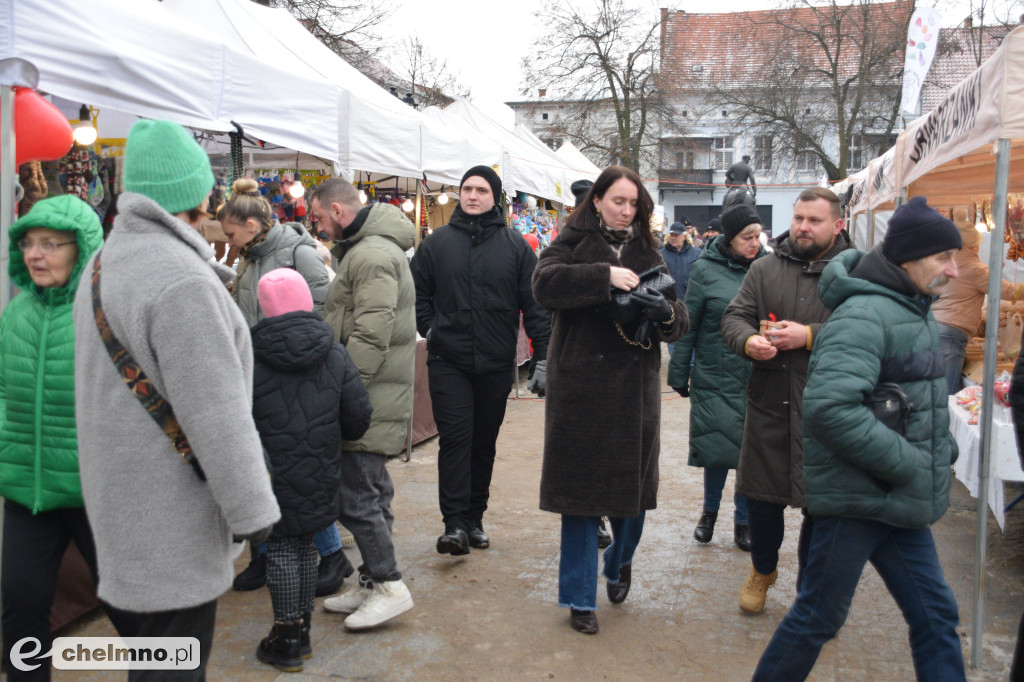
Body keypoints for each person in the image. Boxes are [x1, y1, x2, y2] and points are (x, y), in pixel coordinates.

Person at [73, 119, 280, 679]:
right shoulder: (182, 282)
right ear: (202, 194)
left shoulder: (99, 266)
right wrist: (256, 514)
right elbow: (217, 416)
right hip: (169, 527)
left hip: (118, 517)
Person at [752, 196, 966, 681]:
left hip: (896, 499)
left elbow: (917, 401)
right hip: (857, 500)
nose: (954, 270)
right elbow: (830, 408)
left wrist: (940, 451)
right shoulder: (864, 315)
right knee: (817, 618)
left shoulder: (913, 310)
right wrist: (909, 463)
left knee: (937, 619)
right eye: (944, 258)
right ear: (908, 259)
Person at [532, 165, 688, 635]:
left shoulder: (649, 249)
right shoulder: (572, 240)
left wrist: (665, 315)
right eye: (617, 200)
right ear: (597, 199)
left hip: (633, 392)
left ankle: (619, 561)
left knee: (632, 500)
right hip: (580, 389)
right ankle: (579, 599)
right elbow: (543, 285)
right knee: (580, 501)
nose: (625, 210)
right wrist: (604, 277)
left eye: (633, 204)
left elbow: (679, 320)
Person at [0, 196, 130, 680]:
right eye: (29, 243)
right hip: (28, 493)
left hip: (93, 495)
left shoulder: (106, 314)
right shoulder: (17, 313)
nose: (35, 254)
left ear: (82, 249)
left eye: (49, 244)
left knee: (132, 613)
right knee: (21, 604)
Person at [720, 187, 851, 615]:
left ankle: (811, 590)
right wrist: (748, 341)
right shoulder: (765, 268)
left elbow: (869, 330)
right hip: (770, 402)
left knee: (821, 506)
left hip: (827, 407)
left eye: (814, 220)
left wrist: (809, 336)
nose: (803, 227)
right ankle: (762, 569)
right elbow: (734, 316)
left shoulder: (856, 272)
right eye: (798, 218)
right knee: (761, 497)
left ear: (838, 225)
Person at [411, 165, 551, 555]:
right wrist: (431, 328)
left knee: (483, 442)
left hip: (494, 362)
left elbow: (535, 305)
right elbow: (418, 293)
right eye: (467, 189)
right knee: (456, 439)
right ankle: (453, 524)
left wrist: (544, 356)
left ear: (496, 197)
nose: (473, 196)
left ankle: (475, 518)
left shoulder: (515, 247)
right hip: (448, 360)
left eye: (482, 190)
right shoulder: (436, 244)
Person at [218, 178, 346, 597]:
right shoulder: (248, 259)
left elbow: (326, 302)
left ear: (252, 225)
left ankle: (330, 555)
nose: (229, 241)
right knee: (260, 469)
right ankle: (264, 556)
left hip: (295, 375)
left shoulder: (295, 250)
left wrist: (303, 353)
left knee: (294, 472)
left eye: (232, 233)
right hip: (257, 373)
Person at [249, 269, 372, 672]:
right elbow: (358, 416)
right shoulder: (334, 351)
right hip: (321, 467)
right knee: (304, 546)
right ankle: (300, 631)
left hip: (271, 469)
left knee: (283, 547)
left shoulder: (248, 354)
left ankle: (286, 638)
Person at [308, 178, 416, 630]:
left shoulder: (370, 255)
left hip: (368, 395)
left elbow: (373, 332)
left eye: (316, 218)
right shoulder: (368, 249)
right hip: (373, 393)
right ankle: (374, 580)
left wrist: (344, 390)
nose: (314, 227)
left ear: (337, 210)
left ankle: (389, 585)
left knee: (355, 496)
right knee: (370, 490)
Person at [668, 204, 766, 553]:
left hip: (757, 376)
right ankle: (708, 514)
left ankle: (742, 521)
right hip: (715, 372)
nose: (754, 243)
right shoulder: (705, 270)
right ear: (729, 238)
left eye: (758, 236)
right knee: (717, 448)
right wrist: (679, 372)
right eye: (747, 238)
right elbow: (688, 323)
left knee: (748, 454)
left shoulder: (767, 268)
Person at [932, 206, 1021, 394]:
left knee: (936, 388)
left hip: (934, 326)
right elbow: (1006, 290)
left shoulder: (944, 261)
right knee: (946, 394)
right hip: (952, 331)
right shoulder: (975, 268)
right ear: (973, 245)